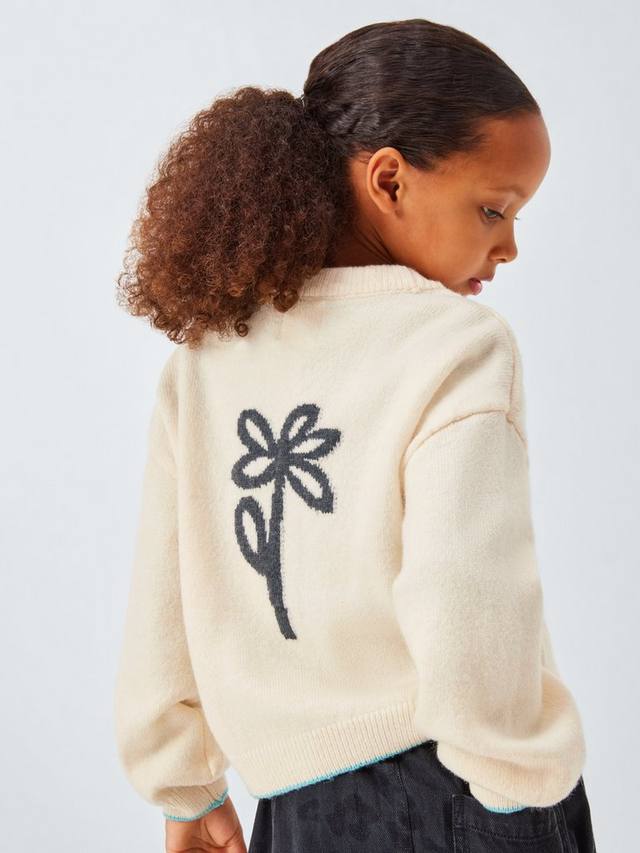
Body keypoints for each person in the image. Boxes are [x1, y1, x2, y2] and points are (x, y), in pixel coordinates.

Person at [113, 18, 598, 853]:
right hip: (462, 790)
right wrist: (516, 780)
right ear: (389, 179)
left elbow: (164, 597)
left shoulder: (205, 361)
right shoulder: (454, 344)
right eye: (494, 208)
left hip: (294, 807)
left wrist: (184, 789)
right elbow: (467, 593)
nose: (510, 245)